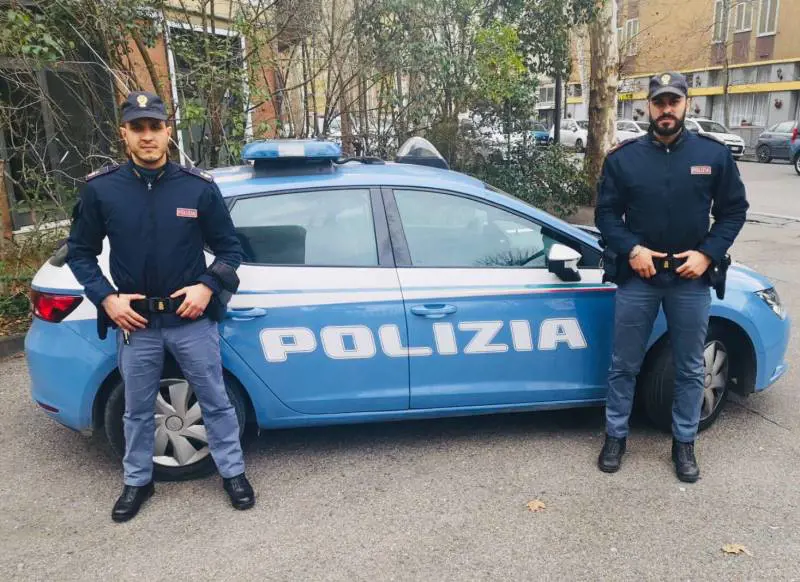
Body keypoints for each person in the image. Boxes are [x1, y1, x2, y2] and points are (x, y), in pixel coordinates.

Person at [67, 91, 255, 521]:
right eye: (138, 128)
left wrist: (207, 286)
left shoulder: (197, 188)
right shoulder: (101, 191)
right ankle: (137, 481)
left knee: (215, 400)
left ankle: (232, 473)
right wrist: (106, 298)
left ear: (168, 132)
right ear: (125, 134)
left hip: (191, 320)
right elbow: (80, 253)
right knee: (136, 410)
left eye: (155, 127)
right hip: (136, 324)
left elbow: (230, 251)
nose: (147, 136)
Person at [594, 72, 749, 482]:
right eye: (659, 102)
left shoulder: (713, 156)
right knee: (623, 363)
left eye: (673, 102)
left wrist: (707, 253)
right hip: (638, 277)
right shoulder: (623, 158)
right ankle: (615, 435)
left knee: (689, 368)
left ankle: (684, 443)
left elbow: (734, 211)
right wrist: (632, 249)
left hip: (690, 279)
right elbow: (606, 214)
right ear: (648, 106)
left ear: (686, 104)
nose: (666, 110)